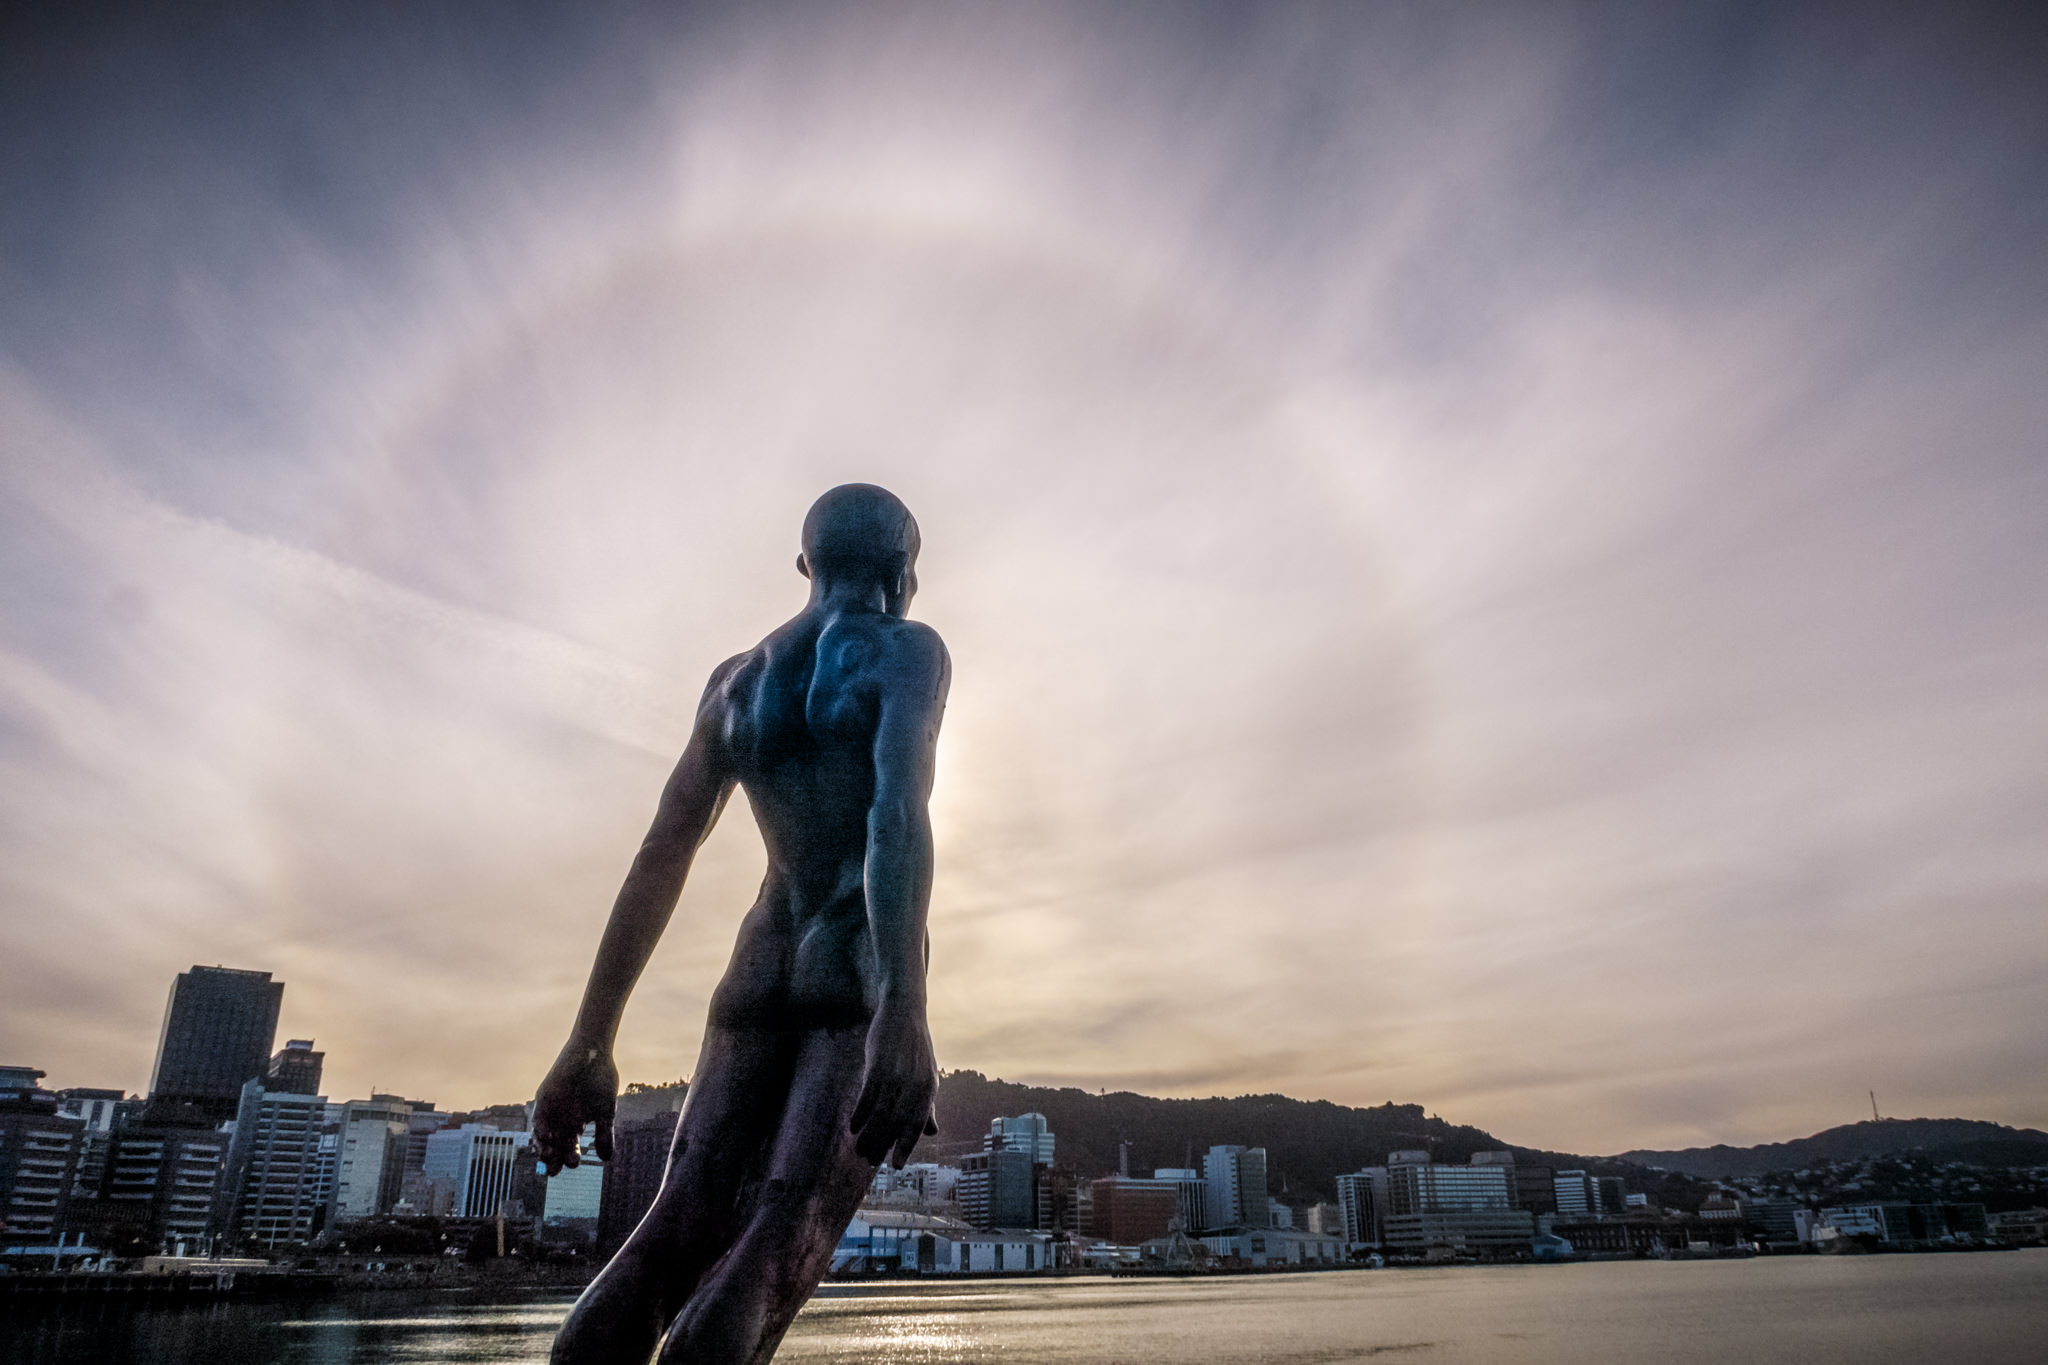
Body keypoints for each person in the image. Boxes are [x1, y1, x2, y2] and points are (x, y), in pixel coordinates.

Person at [531, 483, 949, 1365]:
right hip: (852, 968)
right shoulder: (906, 652)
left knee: (666, 1237)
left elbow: (662, 850)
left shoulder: (735, 682)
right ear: (900, 569)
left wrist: (590, 1039)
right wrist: (904, 1006)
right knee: (779, 1237)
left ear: (807, 565)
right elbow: (895, 816)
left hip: (755, 968)